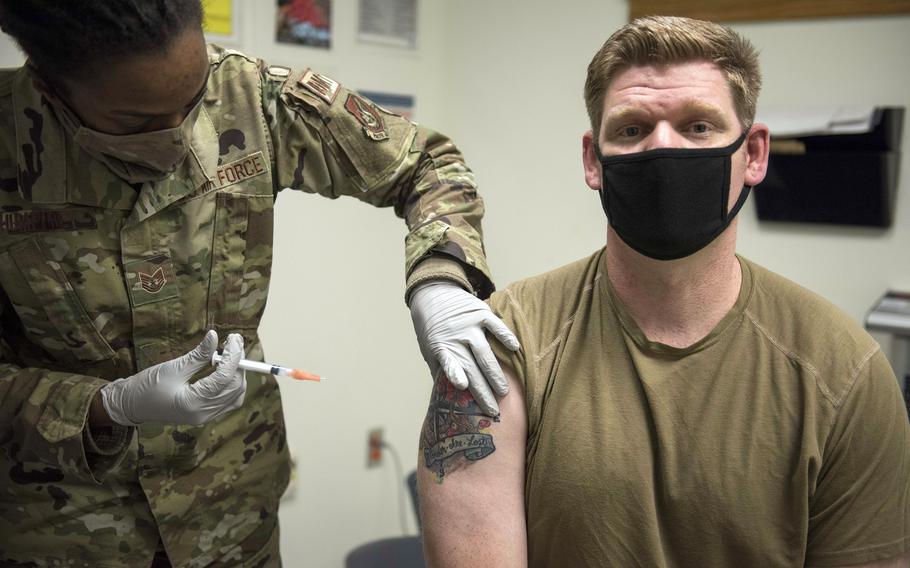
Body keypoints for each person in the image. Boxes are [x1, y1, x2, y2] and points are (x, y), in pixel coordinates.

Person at [0, 1, 519, 566]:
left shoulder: (251, 98)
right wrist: (104, 406)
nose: (178, 138)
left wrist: (439, 279)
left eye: (192, 102)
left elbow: (426, 163)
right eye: (138, 123)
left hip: (235, 516)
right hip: (64, 533)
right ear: (51, 88)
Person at [417, 15, 910, 568]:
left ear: (753, 155)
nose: (663, 149)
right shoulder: (507, 337)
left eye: (699, 126)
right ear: (592, 161)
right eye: (631, 129)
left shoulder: (842, 371)